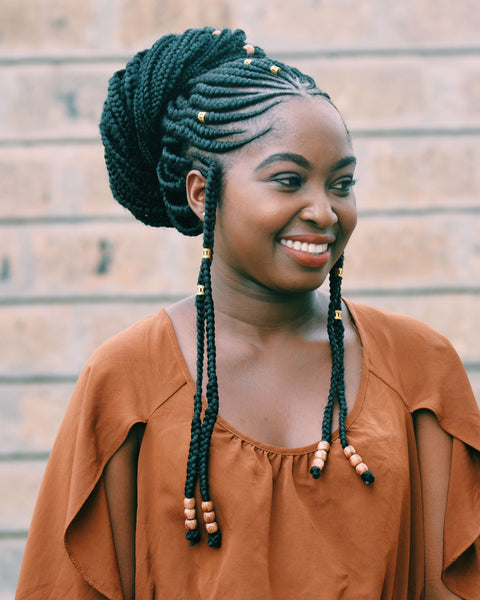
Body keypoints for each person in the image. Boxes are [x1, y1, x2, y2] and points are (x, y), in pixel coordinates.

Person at [16, 27, 480, 600]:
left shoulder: (419, 370)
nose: (324, 211)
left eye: (342, 184)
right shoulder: (127, 380)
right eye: (288, 181)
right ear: (201, 193)